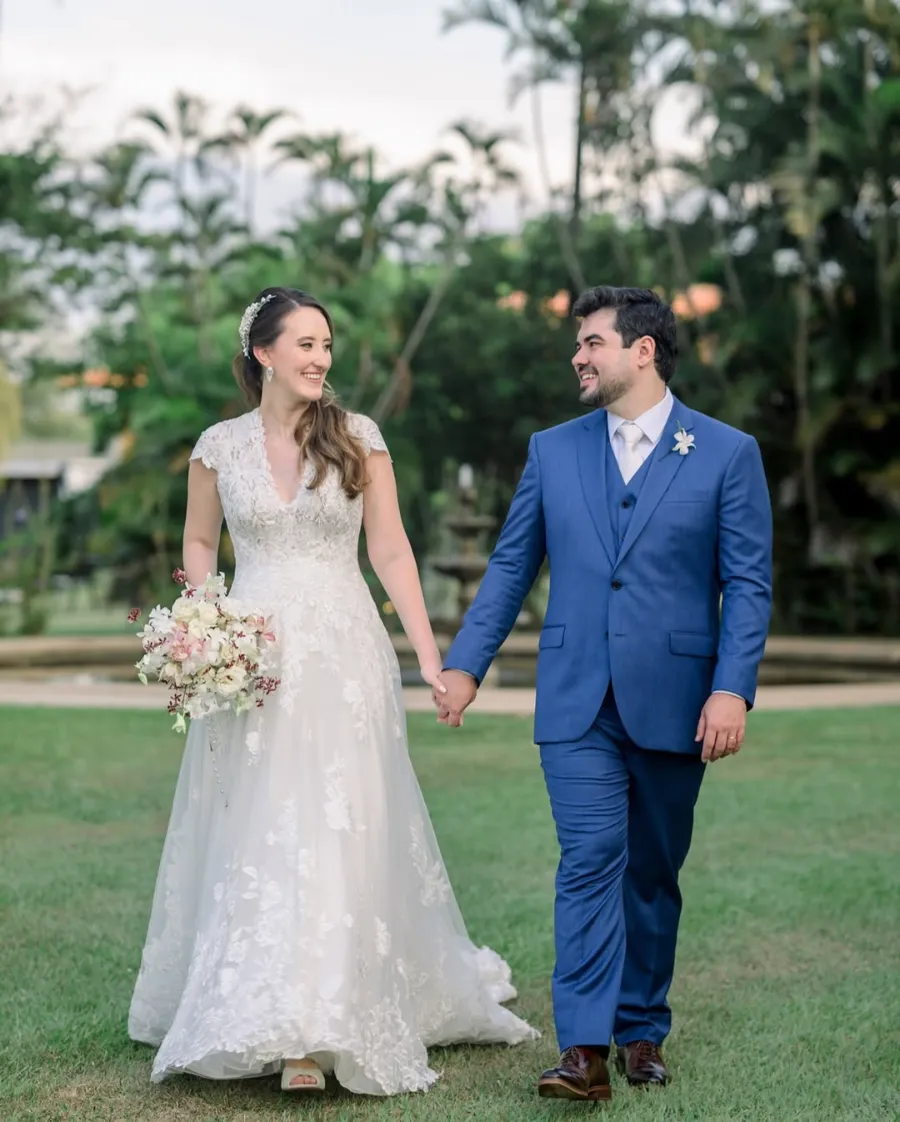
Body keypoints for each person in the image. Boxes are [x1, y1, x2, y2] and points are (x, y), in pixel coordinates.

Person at [128, 286, 537, 1097]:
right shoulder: (217, 448)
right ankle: (270, 1015)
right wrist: (205, 627)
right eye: (305, 344)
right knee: (259, 826)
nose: (320, 358)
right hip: (252, 663)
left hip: (346, 657)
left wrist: (429, 655)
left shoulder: (358, 439)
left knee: (337, 826)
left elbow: (390, 552)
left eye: (326, 345)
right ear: (264, 355)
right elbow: (200, 540)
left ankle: (322, 1025)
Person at [435, 286, 772, 1102]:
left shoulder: (726, 452)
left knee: (653, 872)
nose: (578, 357)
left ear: (643, 349)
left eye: (591, 343)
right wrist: (466, 664)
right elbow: (513, 563)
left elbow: (749, 583)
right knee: (590, 859)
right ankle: (582, 1050)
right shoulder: (552, 450)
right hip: (577, 698)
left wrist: (732, 690)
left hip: (678, 695)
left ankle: (642, 1026)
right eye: (578, 345)